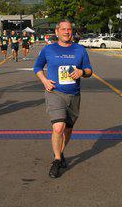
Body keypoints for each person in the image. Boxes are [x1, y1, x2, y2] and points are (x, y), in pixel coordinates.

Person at [33, 19, 92, 179]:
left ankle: (60, 151)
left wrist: (82, 72)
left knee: (68, 129)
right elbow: (37, 67)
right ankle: (57, 160)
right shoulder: (48, 49)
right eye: (63, 29)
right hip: (55, 93)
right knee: (58, 127)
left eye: (69, 29)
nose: (67, 32)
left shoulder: (80, 49)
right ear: (57, 32)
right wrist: (44, 81)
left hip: (74, 95)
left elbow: (89, 70)